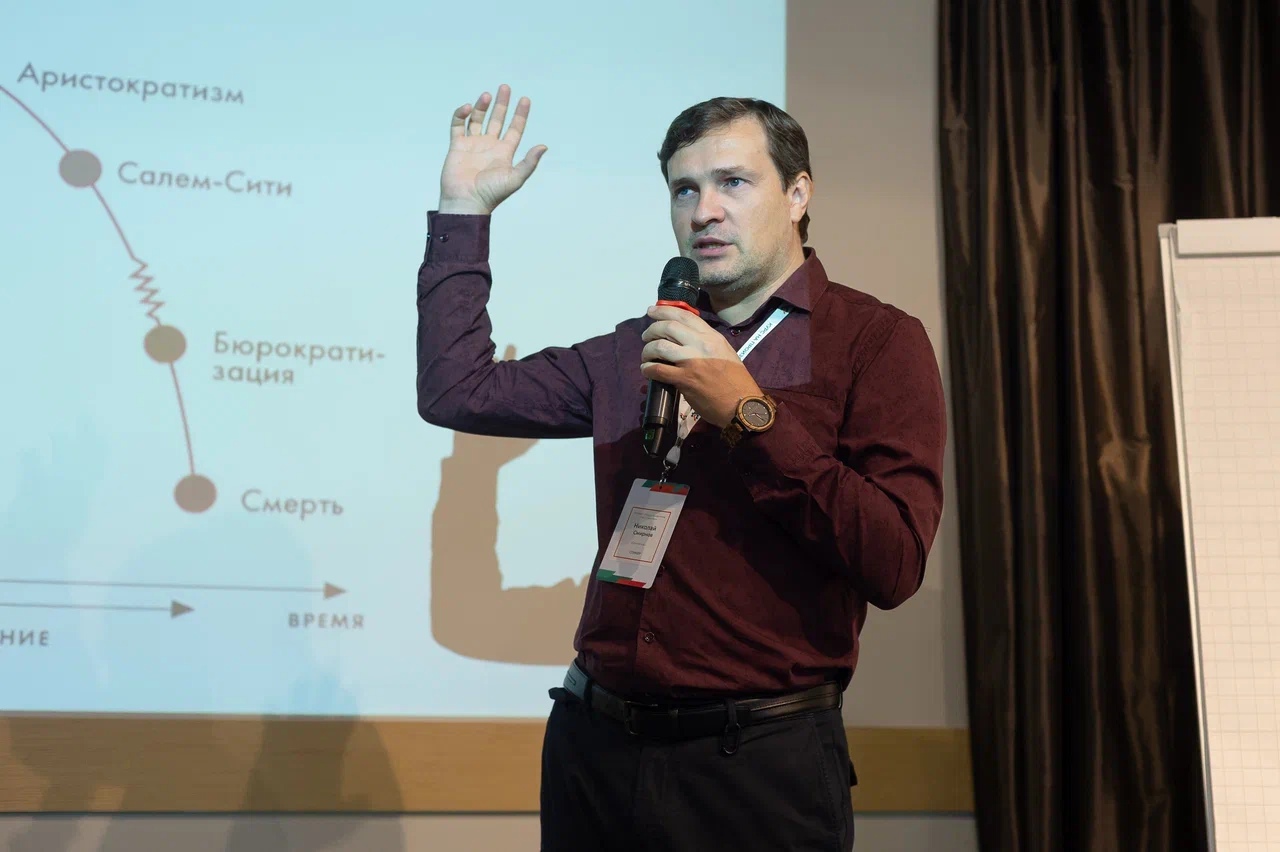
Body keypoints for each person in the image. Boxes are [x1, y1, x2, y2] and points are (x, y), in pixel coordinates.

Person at [416, 84, 947, 852]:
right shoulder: (640, 346)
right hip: (595, 752)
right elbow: (457, 390)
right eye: (684, 190)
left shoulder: (875, 342)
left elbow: (893, 563)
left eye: (734, 182)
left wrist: (748, 413)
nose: (704, 211)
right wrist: (463, 212)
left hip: (756, 766)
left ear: (798, 194)